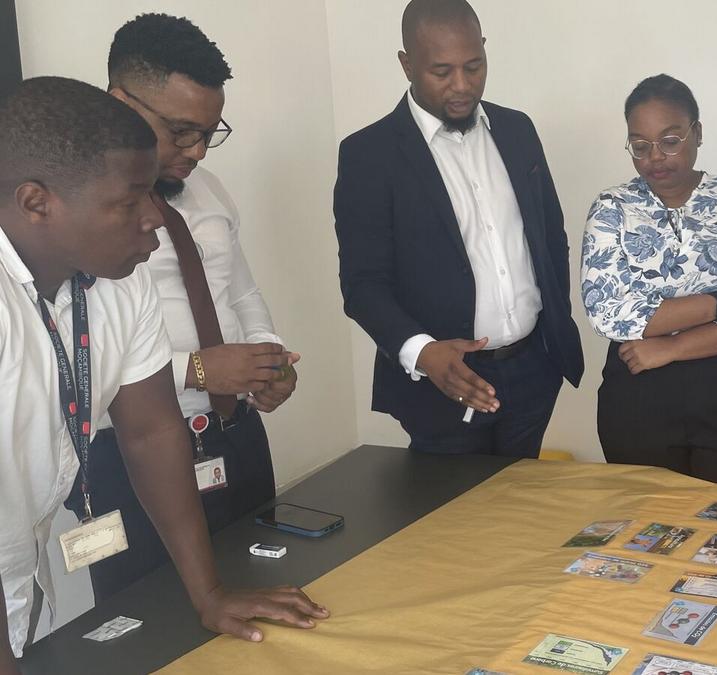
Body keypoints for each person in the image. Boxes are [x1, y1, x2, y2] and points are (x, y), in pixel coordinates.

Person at [0, 76, 325, 670]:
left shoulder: (120, 283)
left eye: (152, 194)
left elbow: (151, 431)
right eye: (130, 202)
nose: (154, 218)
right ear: (36, 203)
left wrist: (210, 594)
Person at [62, 13, 298, 602]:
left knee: (257, 587)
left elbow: (240, 292)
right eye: (181, 131)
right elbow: (76, 355)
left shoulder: (209, 191)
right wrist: (196, 370)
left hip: (232, 433)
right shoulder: (79, 217)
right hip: (128, 454)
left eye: (210, 133)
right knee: (153, 615)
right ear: (120, 103)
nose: (196, 151)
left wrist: (265, 360)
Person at [334, 0, 583, 456]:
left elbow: (550, 238)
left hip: (534, 369)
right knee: (453, 503)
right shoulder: (369, 155)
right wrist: (422, 353)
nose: (462, 85)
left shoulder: (518, 130)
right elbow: (363, 284)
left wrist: (552, 329)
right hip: (442, 386)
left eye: (474, 66)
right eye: (442, 71)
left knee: (526, 498)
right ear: (407, 64)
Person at [582, 74, 717, 490]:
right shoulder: (612, 208)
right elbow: (608, 314)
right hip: (637, 394)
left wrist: (671, 346)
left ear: (697, 133)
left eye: (670, 140)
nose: (655, 157)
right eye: (640, 146)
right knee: (647, 520)